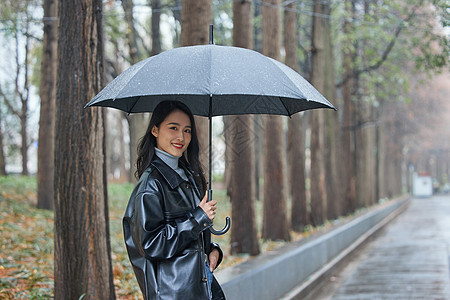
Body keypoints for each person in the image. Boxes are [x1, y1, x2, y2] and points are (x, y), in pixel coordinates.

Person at [123, 100, 226, 300]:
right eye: (173, 128)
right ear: (155, 130)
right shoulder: (151, 186)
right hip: (173, 293)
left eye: (187, 130)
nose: (181, 137)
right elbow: (151, 244)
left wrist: (212, 251)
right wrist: (197, 219)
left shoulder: (188, 175)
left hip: (199, 286)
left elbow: (188, 237)